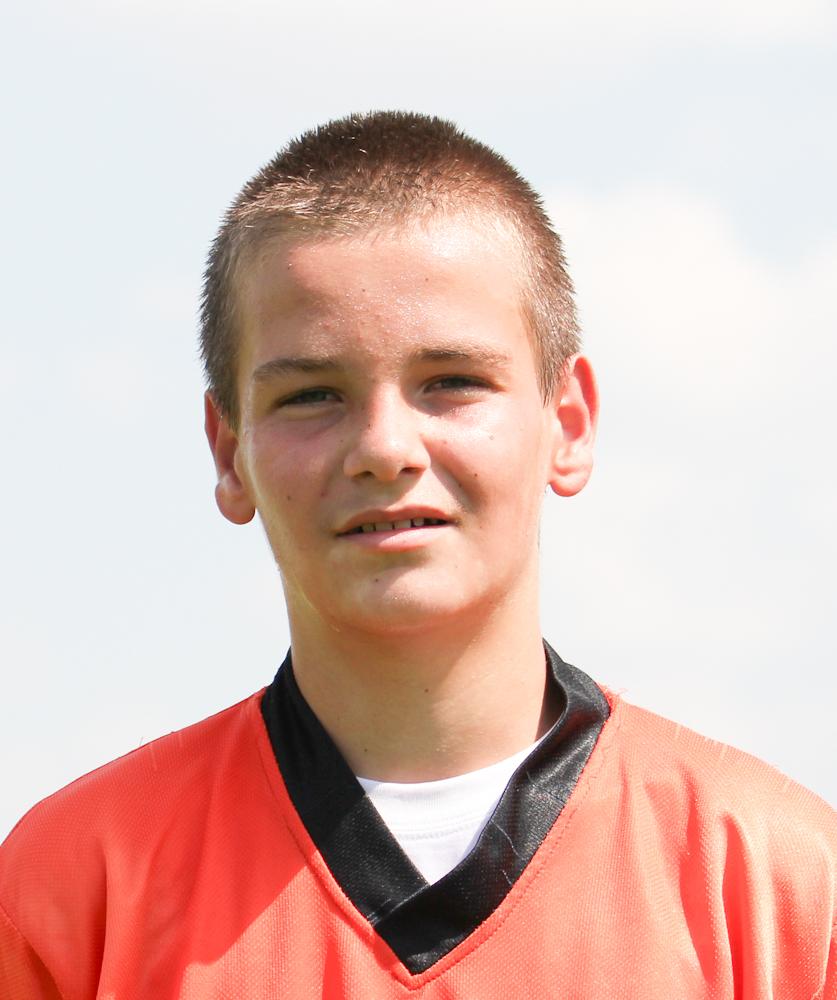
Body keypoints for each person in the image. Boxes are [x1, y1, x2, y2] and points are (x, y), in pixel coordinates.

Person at [0, 111, 834, 999]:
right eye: (312, 394)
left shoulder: (775, 883)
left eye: (452, 382)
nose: (384, 447)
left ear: (567, 423)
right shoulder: (74, 887)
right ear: (228, 450)